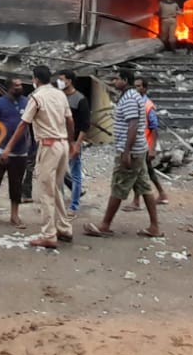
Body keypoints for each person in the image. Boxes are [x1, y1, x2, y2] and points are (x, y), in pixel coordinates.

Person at [0, 65, 74, 249]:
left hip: (48, 145)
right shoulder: (60, 95)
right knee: (55, 187)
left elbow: (23, 125)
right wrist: (71, 143)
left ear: (35, 79)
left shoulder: (36, 97)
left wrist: (7, 147)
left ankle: (49, 235)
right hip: (62, 144)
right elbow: (70, 120)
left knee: (45, 192)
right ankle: (64, 228)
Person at [82, 67, 163, 239]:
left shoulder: (130, 99)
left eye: (117, 79)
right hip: (138, 150)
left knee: (118, 186)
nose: (114, 82)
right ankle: (154, 227)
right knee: (145, 187)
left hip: (131, 151)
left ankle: (105, 225)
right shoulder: (131, 97)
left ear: (125, 80)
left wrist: (126, 152)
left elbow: (133, 125)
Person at [0, 77, 30, 229]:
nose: (19, 87)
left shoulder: (27, 102)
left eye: (20, 85)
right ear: (9, 86)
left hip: (20, 151)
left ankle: (14, 215)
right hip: (0, 149)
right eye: (16, 85)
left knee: (16, 184)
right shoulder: (0, 102)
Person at [127, 76, 169, 208]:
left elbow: (154, 128)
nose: (137, 88)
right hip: (139, 143)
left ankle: (136, 201)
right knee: (147, 171)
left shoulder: (147, 105)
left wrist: (152, 148)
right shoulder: (137, 103)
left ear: (145, 88)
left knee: (138, 172)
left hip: (144, 144)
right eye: (135, 86)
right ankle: (162, 194)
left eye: (139, 86)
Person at [57, 71, 90, 214]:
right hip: (58, 139)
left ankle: (74, 204)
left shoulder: (80, 99)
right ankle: (60, 202)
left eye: (61, 79)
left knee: (75, 173)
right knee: (59, 173)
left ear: (69, 81)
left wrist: (77, 144)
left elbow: (85, 125)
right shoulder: (59, 96)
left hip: (73, 141)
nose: (59, 82)